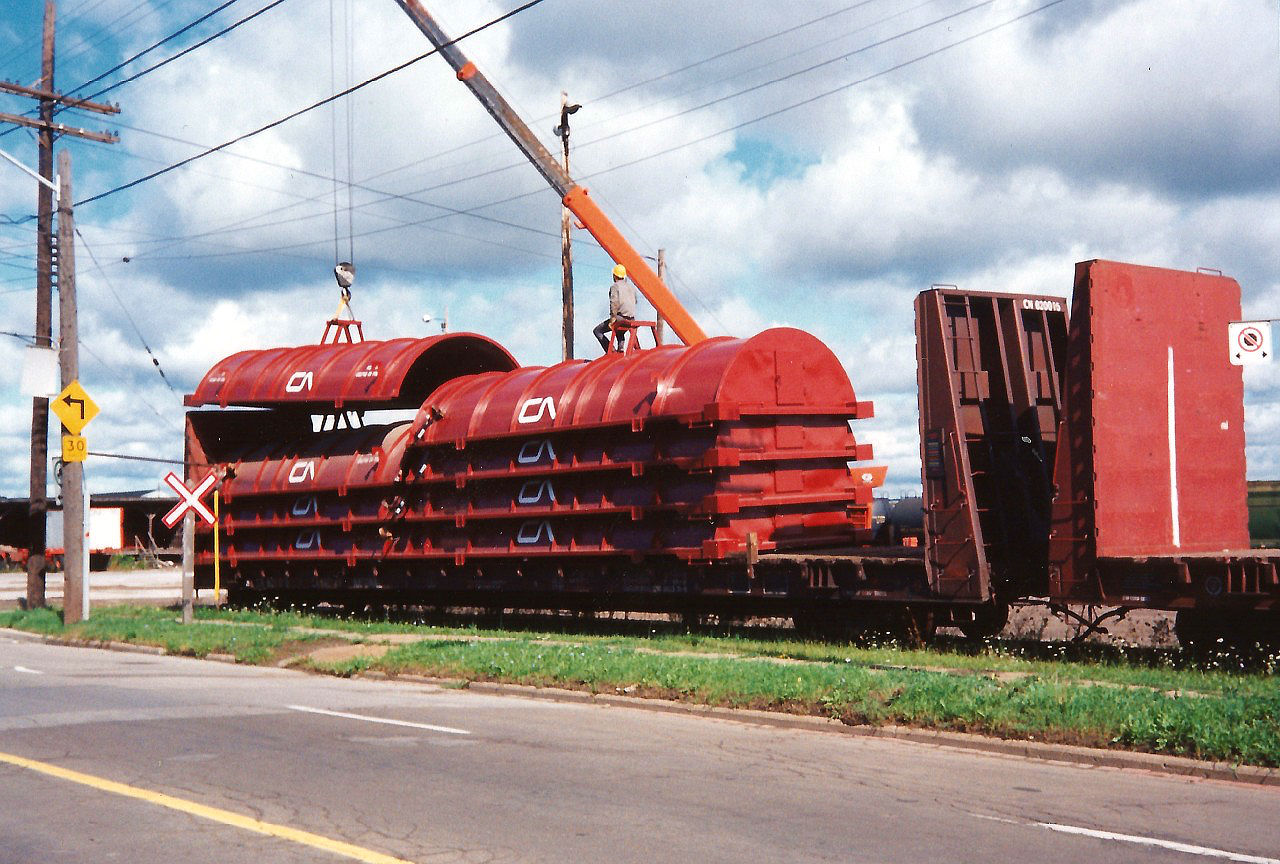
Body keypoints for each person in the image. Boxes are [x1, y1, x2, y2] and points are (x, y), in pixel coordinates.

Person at [593, 264, 638, 352]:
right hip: (631, 318)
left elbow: (614, 303)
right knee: (620, 328)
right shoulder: (631, 287)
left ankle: (611, 350)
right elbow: (635, 301)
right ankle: (620, 347)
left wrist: (612, 318)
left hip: (620, 318)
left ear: (614, 275)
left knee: (597, 331)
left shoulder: (615, 287)